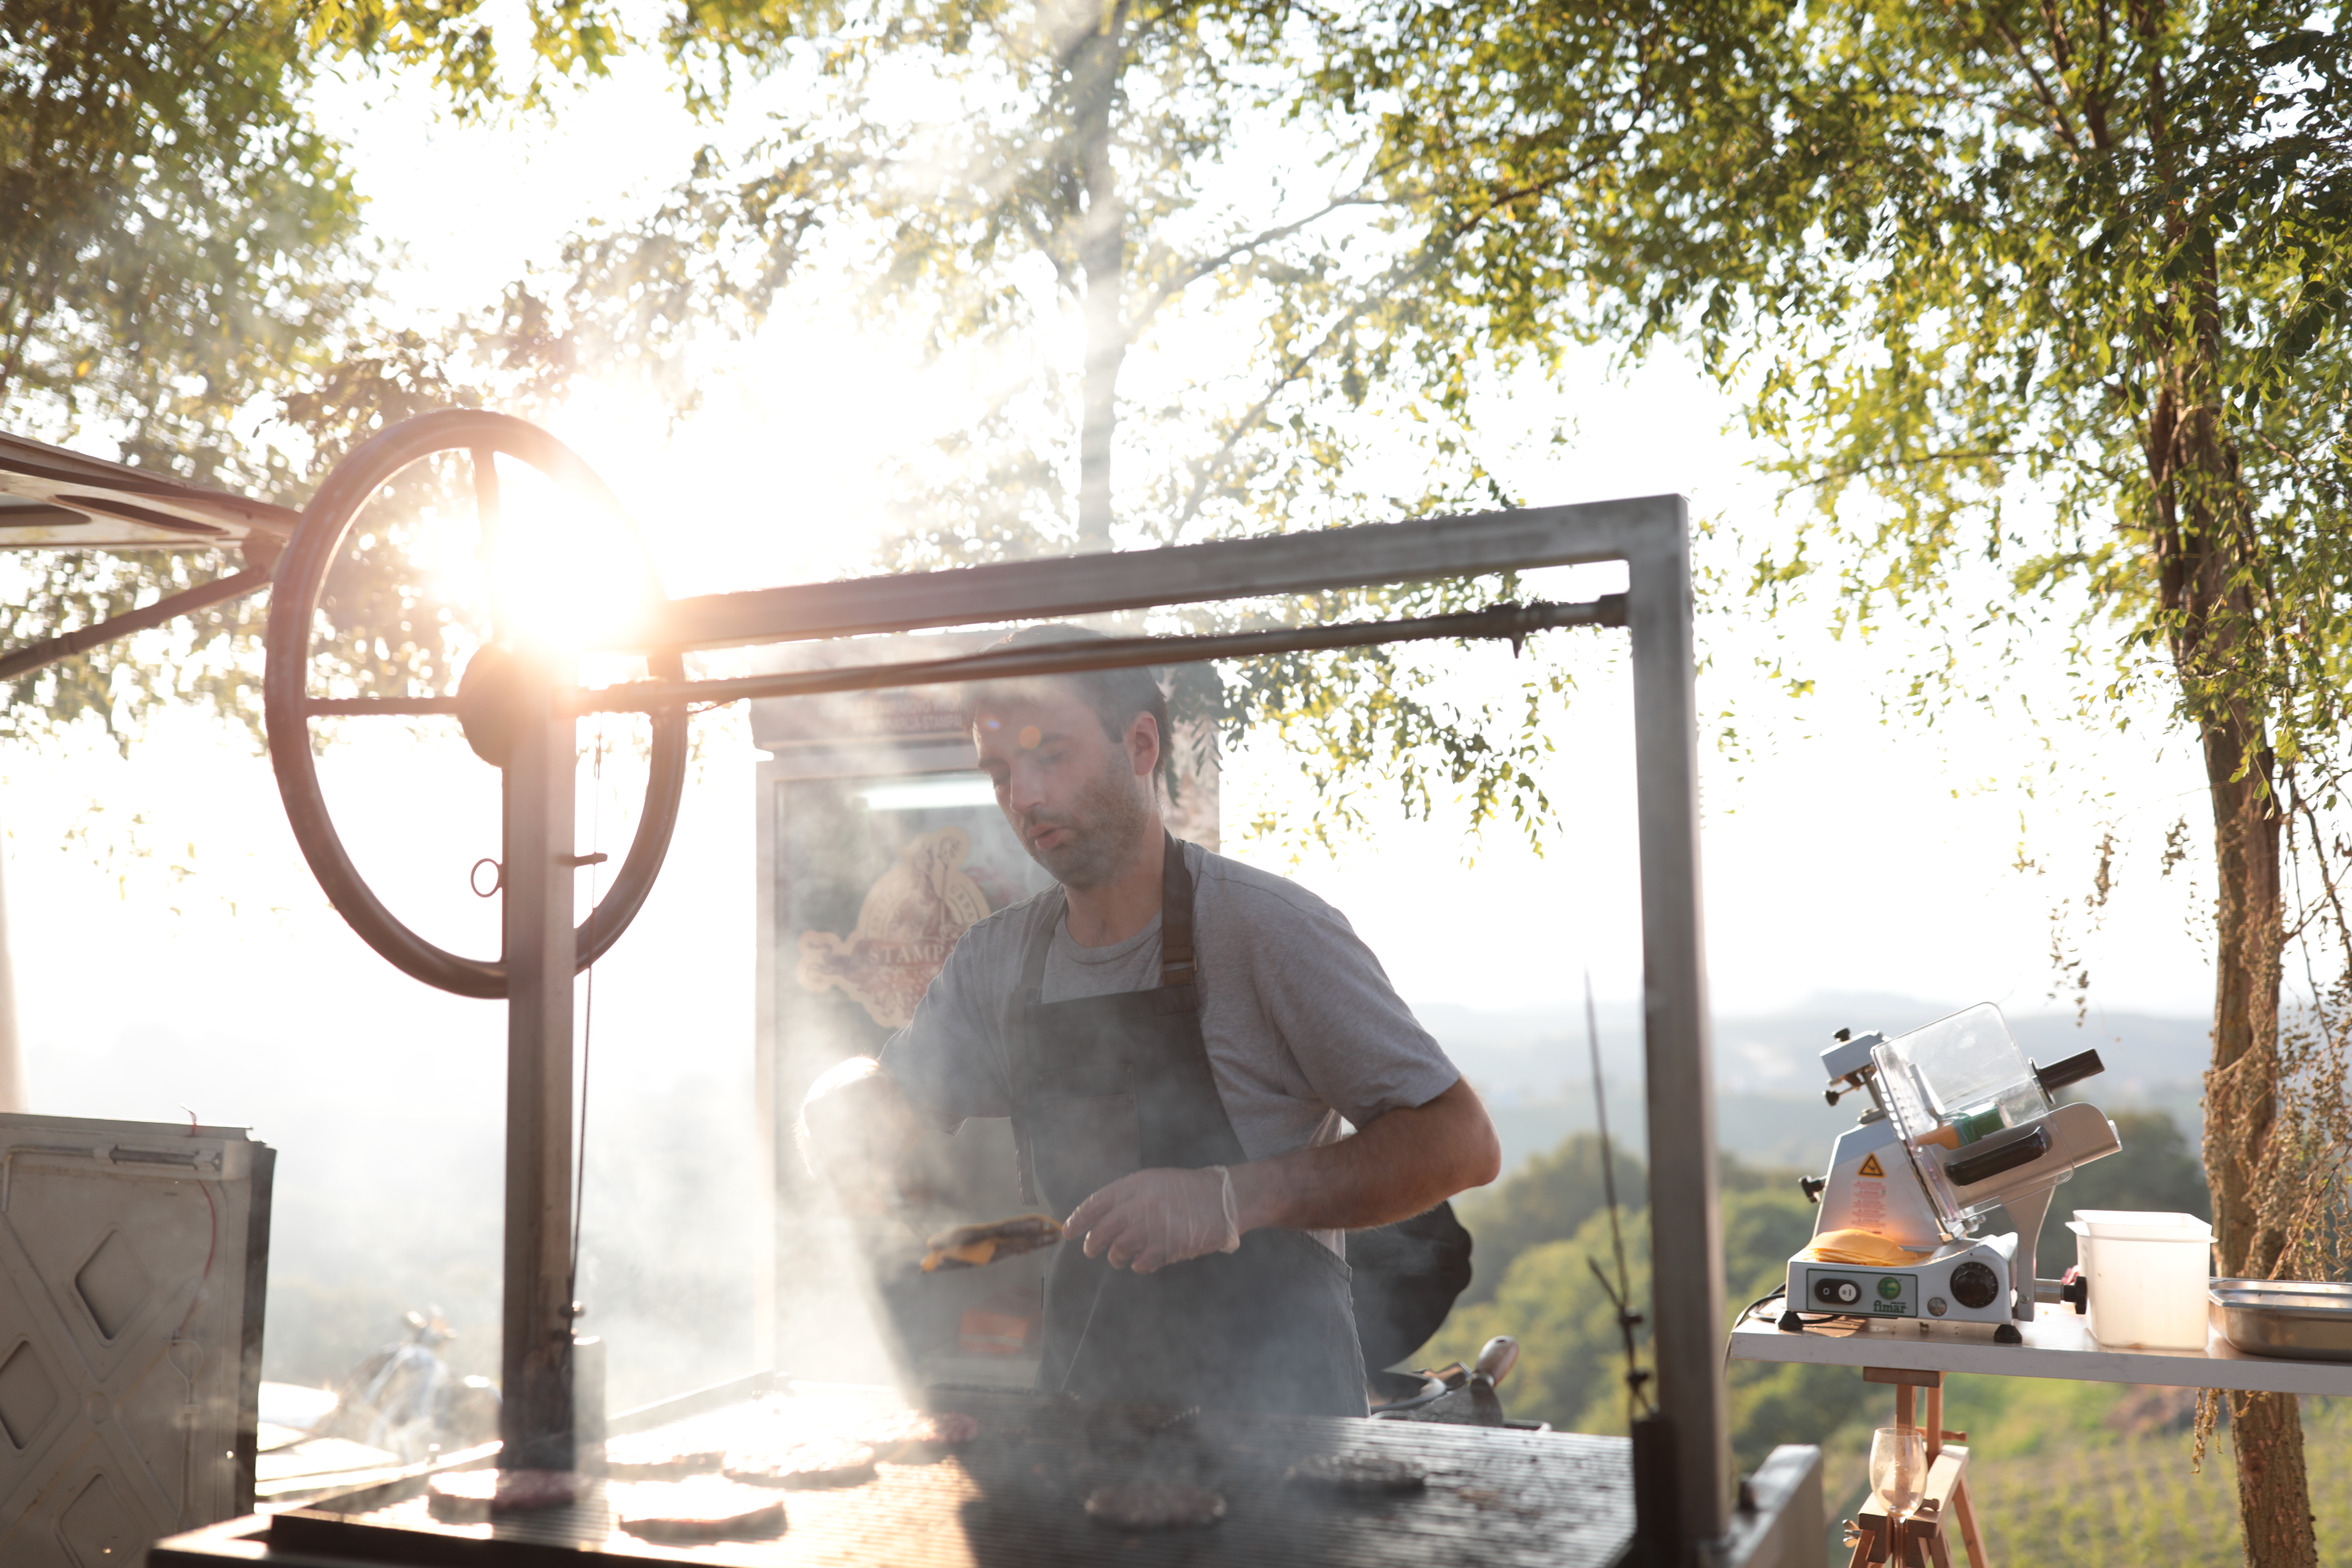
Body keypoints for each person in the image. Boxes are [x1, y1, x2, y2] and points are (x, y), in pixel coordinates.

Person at [799, 624, 1501, 1417]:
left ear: (1139, 744)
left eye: (1049, 754)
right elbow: (889, 1100)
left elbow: (1462, 1141)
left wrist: (1230, 1198)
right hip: (1081, 1431)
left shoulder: (1263, 930)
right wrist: (842, 1101)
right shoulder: (995, 961)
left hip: (1283, 1448)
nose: (1022, 796)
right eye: (999, 771)